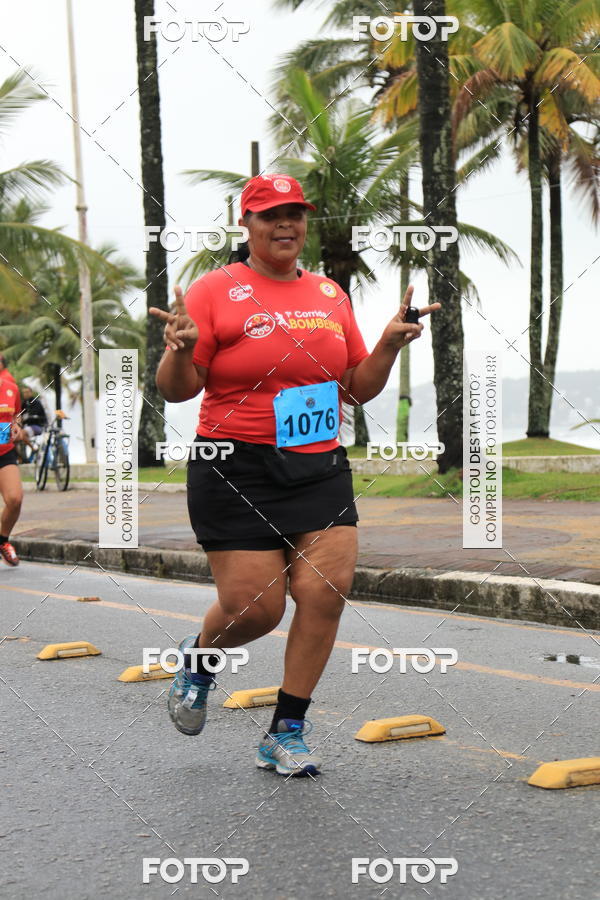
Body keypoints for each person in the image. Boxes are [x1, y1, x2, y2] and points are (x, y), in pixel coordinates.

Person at [150, 173, 440, 776]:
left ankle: (286, 730)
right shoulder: (213, 292)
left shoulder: (330, 295)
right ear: (247, 225)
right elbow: (178, 393)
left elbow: (356, 388)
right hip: (234, 466)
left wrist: (388, 343)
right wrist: (179, 350)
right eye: (269, 214)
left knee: (323, 595)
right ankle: (199, 658)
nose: (285, 224)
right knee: (256, 610)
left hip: (317, 463)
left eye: (295, 213)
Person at [0, 354, 24, 566]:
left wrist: (17, 427)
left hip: (4, 450)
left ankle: (3, 540)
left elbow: (15, 416)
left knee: (15, 499)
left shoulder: (11, 388)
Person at [20, 385, 48, 449]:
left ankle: (33, 449)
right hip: (26, 426)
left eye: (27, 392)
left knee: (22, 433)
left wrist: (25, 419)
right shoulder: (24, 403)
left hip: (37, 426)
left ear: (31, 392)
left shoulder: (36, 402)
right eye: (24, 392)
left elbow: (34, 415)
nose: (25, 394)